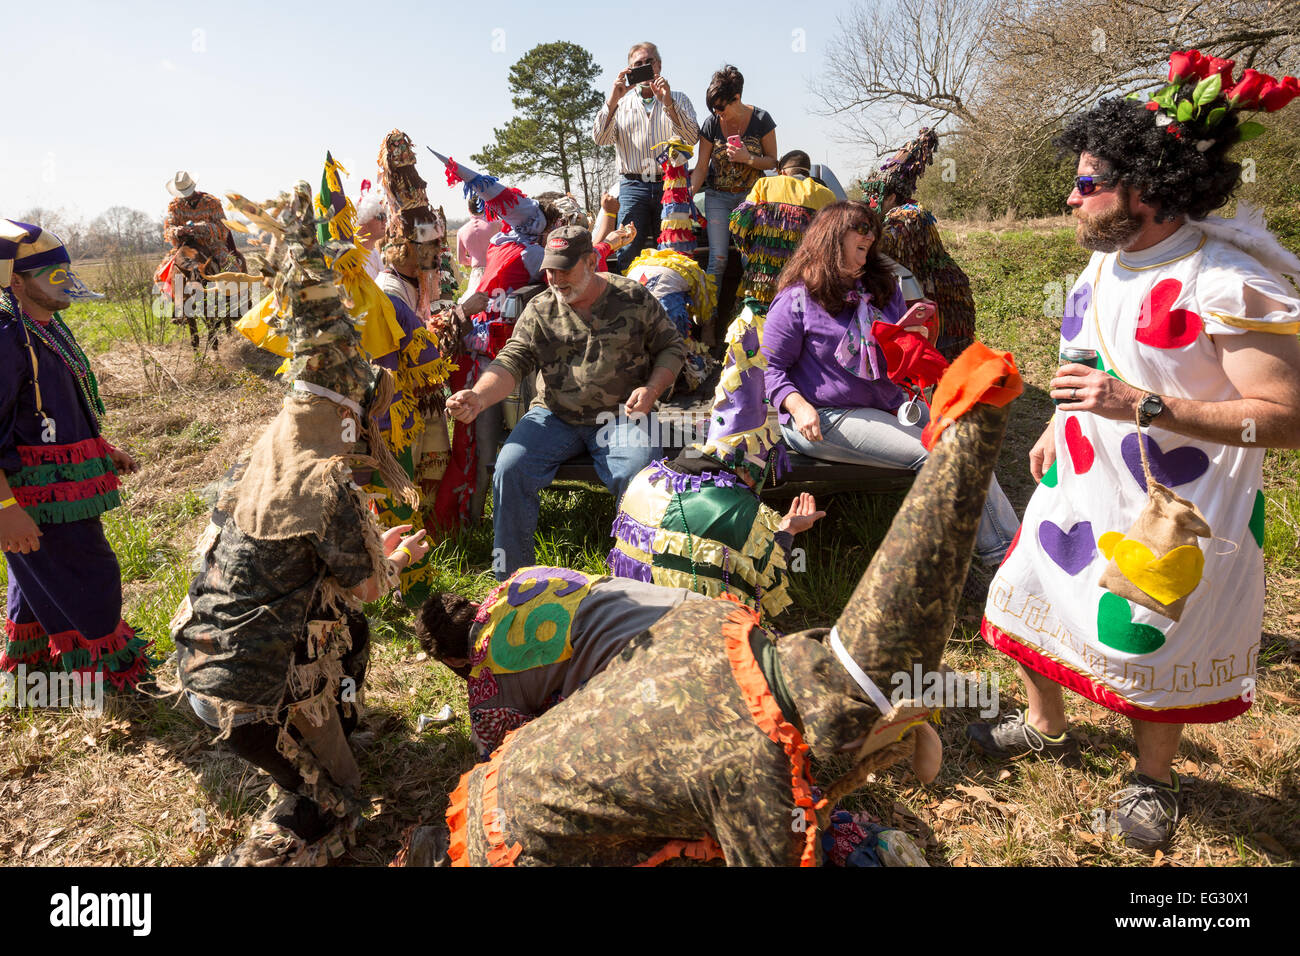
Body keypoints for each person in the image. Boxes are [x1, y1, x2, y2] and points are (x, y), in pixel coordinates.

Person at [430, 348, 1020, 866]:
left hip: (644, 675)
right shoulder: (525, 585)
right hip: (528, 827)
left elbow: (500, 744)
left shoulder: (492, 682)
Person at [971, 51, 1300, 851]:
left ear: (1146, 191)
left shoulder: (1226, 281)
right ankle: (1046, 725)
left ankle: (1154, 781)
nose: (1071, 197)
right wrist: (1059, 423)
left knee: (1147, 647)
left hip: (1174, 508)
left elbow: (1284, 419)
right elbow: (1086, 353)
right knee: (1023, 591)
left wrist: (1145, 406)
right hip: (1082, 482)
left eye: (1088, 184)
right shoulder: (1103, 261)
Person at [172, 180, 431, 866]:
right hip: (242, 704)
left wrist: (373, 555)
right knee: (335, 808)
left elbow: (312, 572)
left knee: (348, 630)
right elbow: (370, 587)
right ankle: (300, 797)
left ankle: (336, 722)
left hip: (199, 665)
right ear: (346, 410)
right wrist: (392, 560)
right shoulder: (326, 481)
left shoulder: (266, 454)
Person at [763, 200, 1020, 577]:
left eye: (872, 237)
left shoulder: (881, 288)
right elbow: (771, 369)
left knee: (965, 442)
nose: (869, 242)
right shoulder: (797, 300)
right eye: (860, 235)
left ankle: (1009, 552)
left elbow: (896, 360)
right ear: (832, 239)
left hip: (886, 405)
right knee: (940, 455)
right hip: (823, 417)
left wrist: (913, 341)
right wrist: (798, 406)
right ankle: (1002, 563)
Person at [446, 225, 687, 580]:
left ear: (591, 261)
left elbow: (672, 347)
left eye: (564, 268)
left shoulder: (632, 297)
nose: (555, 278)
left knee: (638, 476)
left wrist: (651, 389)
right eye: (549, 269)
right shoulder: (541, 309)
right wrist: (479, 397)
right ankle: (512, 583)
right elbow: (512, 361)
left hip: (621, 414)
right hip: (555, 414)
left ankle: (636, 581)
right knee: (510, 468)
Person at [0, 221, 152, 690]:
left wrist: (102, 448)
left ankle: (32, 671)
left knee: (40, 573)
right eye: (53, 274)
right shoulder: (5, 340)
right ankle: (107, 676)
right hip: (33, 495)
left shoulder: (47, 327)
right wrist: (7, 511)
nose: (66, 283)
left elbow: (56, 409)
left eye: (67, 271)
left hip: (61, 485)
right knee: (91, 571)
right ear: (17, 282)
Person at [610, 300, 823, 621]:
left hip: (625, 624)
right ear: (748, 464)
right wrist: (786, 533)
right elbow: (771, 593)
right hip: (699, 641)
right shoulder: (744, 515)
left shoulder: (641, 480)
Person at [417, 566, 706, 755]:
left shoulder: (486, 694)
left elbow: (507, 757)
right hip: (692, 607)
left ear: (453, 661)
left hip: (667, 670)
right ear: (473, 604)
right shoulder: (521, 578)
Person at [860, 129, 977, 361]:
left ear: (891, 197)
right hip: (927, 297)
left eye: (874, 195)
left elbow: (879, 249)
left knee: (940, 365)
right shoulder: (889, 217)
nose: (868, 201)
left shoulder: (908, 215)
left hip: (944, 300)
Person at [593, 42, 699, 271]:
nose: (644, 67)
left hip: (670, 184)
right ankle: (630, 302)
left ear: (659, 65)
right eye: (637, 64)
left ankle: (673, 303)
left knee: (673, 250)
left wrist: (668, 103)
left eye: (648, 62)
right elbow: (600, 139)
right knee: (628, 249)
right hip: (633, 184)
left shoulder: (678, 98)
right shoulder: (620, 104)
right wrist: (612, 99)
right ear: (629, 71)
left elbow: (691, 138)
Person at [690, 65, 778, 318]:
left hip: (752, 198)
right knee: (717, 260)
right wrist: (683, 201)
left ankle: (753, 319)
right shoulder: (711, 124)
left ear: (736, 98)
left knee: (750, 260)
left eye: (721, 107)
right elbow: (700, 168)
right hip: (718, 197)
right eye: (713, 109)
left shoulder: (761, 120)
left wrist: (748, 158)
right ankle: (708, 322)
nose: (717, 113)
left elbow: (773, 162)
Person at [728, 150, 836, 314]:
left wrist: (750, 248)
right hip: (807, 284)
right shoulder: (827, 195)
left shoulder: (764, 184)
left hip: (763, 281)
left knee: (756, 326)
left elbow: (739, 221)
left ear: (783, 172)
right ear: (807, 173)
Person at [160, 170, 248, 349]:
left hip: (212, 245)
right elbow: (169, 229)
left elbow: (223, 227)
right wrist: (178, 231)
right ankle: (179, 309)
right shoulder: (174, 206)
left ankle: (236, 304)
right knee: (165, 271)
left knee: (231, 266)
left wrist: (204, 228)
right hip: (185, 246)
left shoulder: (211, 202)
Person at [456, 196, 499, 303]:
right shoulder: (497, 224)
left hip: (477, 274)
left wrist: (475, 259)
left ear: (469, 209)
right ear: (486, 206)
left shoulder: (461, 231)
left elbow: (461, 260)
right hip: (495, 271)